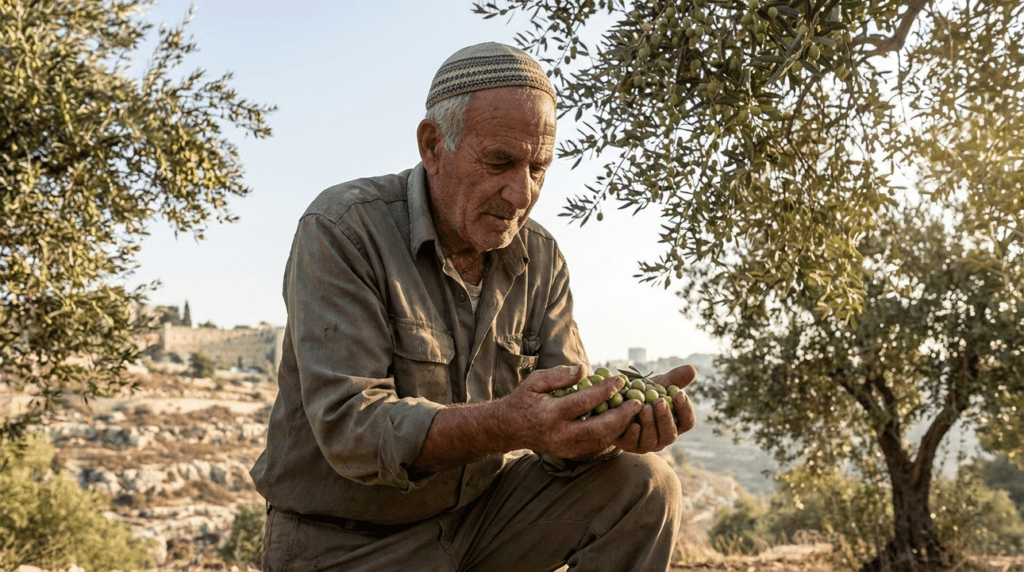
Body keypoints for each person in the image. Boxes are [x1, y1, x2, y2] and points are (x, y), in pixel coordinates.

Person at [250, 42, 698, 572]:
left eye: (539, 168)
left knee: (642, 486)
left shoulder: (541, 256)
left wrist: (607, 426)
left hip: (479, 524)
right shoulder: (343, 230)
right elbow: (353, 429)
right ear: (432, 144)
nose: (520, 192)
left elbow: (559, 419)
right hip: (350, 544)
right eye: (501, 162)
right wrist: (511, 424)